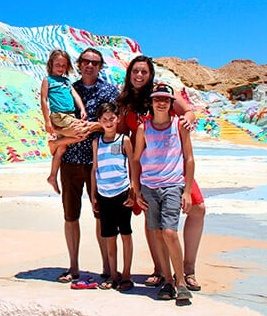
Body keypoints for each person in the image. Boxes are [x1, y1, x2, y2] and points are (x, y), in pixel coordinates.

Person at [116, 55, 204, 292]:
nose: (139, 76)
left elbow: (189, 112)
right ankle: (160, 269)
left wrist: (186, 119)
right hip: (145, 163)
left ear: (150, 74)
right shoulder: (124, 102)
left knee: (198, 208)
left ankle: (188, 269)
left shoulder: (160, 95)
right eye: (135, 71)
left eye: (144, 72)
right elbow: (123, 133)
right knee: (150, 217)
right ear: (129, 74)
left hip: (170, 160)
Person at [56, 47, 119, 283]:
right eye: (86, 61)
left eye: (95, 62)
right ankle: (73, 267)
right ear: (79, 64)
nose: (90, 66)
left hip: (99, 162)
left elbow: (115, 124)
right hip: (71, 160)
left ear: (101, 66)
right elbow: (55, 120)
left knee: (101, 215)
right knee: (70, 215)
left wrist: (93, 127)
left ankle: (106, 267)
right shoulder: (67, 89)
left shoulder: (110, 91)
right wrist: (68, 132)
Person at [132, 83, 195, 303]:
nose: (161, 103)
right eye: (157, 99)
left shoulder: (179, 126)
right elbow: (136, 159)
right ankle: (167, 280)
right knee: (157, 232)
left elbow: (188, 158)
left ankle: (181, 281)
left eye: (166, 100)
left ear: (171, 103)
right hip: (149, 186)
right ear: (151, 102)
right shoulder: (143, 128)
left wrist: (187, 191)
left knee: (169, 232)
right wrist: (136, 188)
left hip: (172, 185)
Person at [90, 102, 135, 291]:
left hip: (123, 192)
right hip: (103, 194)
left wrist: (134, 189)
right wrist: (93, 195)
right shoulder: (96, 142)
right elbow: (95, 169)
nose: (108, 122)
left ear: (118, 119)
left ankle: (126, 274)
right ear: (99, 121)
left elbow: (132, 165)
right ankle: (113, 274)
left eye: (111, 119)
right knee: (109, 236)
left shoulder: (124, 140)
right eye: (104, 119)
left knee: (125, 234)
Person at [40, 49, 87, 194]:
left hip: (71, 115)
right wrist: (47, 121)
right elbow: (43, 100)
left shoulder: (66, 81)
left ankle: (52, 176)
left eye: (63, 65)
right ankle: (54, 141)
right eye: (57, 65)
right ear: (51, 64)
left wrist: (82, 108)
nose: (60, 68)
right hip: (59, 116)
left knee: (62, 149)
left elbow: (75, 95)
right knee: (81, 133)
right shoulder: (48, 80)